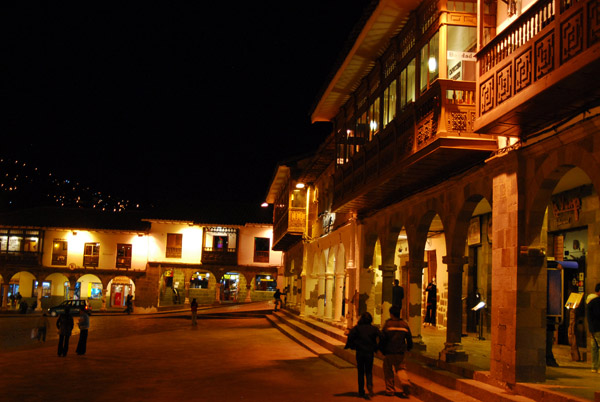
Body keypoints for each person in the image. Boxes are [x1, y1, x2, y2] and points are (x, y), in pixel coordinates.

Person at [346, 312, 381, 399]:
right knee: (369, 371)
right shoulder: (373, 329)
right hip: (369, 352)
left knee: (360, 372)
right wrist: (376, 347)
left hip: (360, 352)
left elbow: (350, 336)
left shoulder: (357, 328)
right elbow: (382, 336)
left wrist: (353, 345)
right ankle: (369, 385)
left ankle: (361, 391)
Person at [380, 305, 413, 397]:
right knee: (401, 369)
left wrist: (381, 350)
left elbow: (382, 339)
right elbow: (409, 339)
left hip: (389, 351)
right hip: (400, 352)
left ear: (391, 314)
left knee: (388, 371)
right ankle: (405, 382)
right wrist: (409, 348)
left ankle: (390, 390)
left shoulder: (388, 324)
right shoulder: (404, 324)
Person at [586, 283, 600, 373]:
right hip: (599, 327)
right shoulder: (597, 302)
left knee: (594, 347)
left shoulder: (590, 302)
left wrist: (590, 328)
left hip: (593, 328)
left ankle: (594, 367)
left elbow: (589, 316)